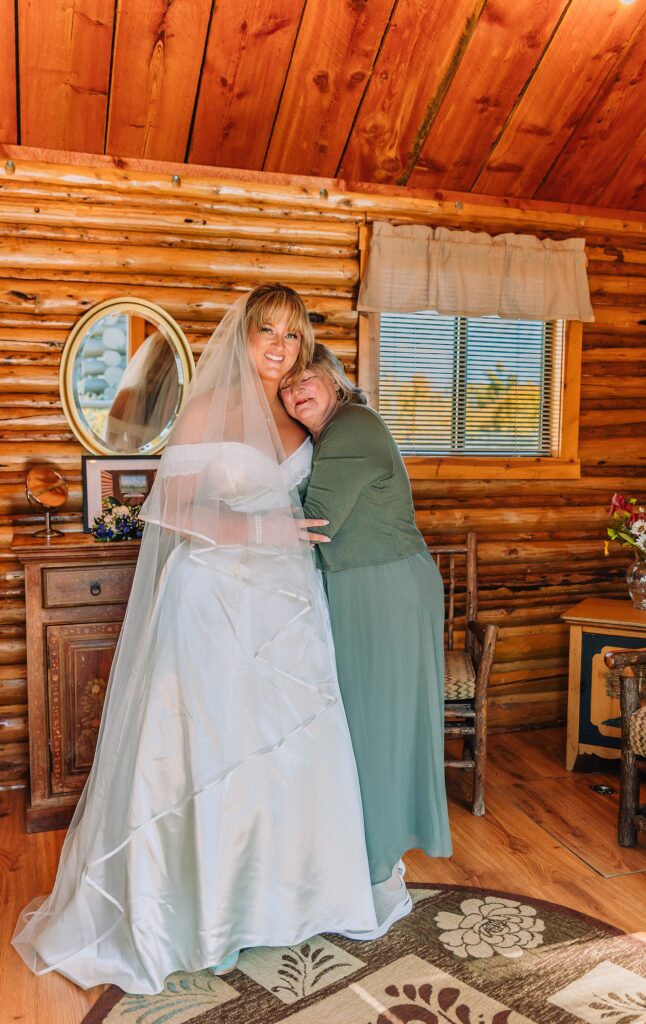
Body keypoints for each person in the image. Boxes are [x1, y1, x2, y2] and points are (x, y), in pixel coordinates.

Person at [12, 286, 377, 995]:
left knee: (293, 748)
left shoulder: (299, 414)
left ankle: (293, 899)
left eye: (293, 336)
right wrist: (259, 530)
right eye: (265, 331)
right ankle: (208, 917)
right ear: (239, 337)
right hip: (211, 600)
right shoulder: (207, 409)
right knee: (214, 750)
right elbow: (170, 510)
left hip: (289, 605)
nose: (278, 346)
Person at [280, 343, 452, 936]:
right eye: (285, 385)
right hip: (365, 588)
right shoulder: (331, 435)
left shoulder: (351, 427)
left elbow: (315, 521)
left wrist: (232, 508)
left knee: (375, 732)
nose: (296, 389)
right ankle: (375, 864)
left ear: (333, 377)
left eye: (307, 377)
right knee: (364, 729)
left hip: (383, 592)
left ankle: (380, 880)